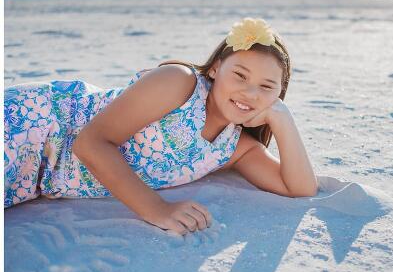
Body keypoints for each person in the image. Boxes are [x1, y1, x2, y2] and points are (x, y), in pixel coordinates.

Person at [4, 17, 318, 235]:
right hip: (32, 125)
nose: (250, 93)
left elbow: (299, 188)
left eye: (267, 87)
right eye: (240, 75)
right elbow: (90, 143)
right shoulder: (179, 83)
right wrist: (157, 209)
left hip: (33, 179)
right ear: (216, 68)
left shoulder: (234, 147)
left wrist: (282, 119)